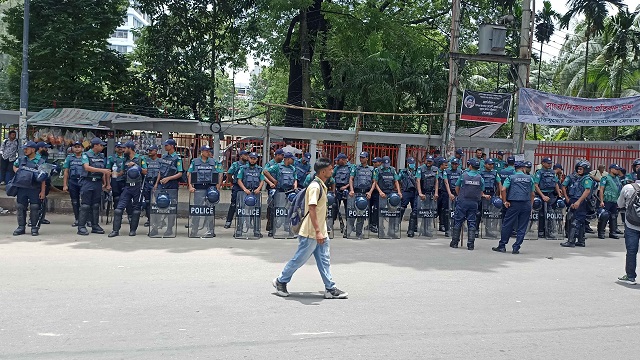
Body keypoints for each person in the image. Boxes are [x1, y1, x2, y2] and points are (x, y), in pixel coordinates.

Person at [272, 157, 348, 299]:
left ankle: (330, 288)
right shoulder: (315, 187)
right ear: (323, 171)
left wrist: (322, 231)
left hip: (320, 230)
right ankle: (280, 281)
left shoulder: (322, 185)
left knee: (324, 259)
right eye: (331, 169)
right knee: (300, 258)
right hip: (311, 231)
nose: (332, 171)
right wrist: (318, 231)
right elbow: (312, 209)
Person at [492, 161, 535, 254]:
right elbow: (532, 193)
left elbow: (503, 189)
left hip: (514, 204)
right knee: (522, 226)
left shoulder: (511, 177)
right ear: (523, 168)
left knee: (507, 224)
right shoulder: (529, 178)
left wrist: (504, 201)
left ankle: (502, 246)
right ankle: (516, 247)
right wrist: (530, 206)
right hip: (526, 203)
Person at [108, 142, 147, 237]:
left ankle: (133, 230)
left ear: (130, 148)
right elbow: (121, 172)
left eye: (124, 148)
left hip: (137, 187)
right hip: (127, 186)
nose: (123, 150)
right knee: (118, 209)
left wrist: (136, 166)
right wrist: (111, 174)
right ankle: (115, 230)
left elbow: (146, 171)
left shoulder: (140, 158)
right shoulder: (124, 159)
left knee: (136, 210)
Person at [186, 145, 223, 238]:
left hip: (210, 188)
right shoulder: (195, 161)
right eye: (206, 151)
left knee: (210, 210)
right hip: (198, 188)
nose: (208, 152)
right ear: (201, 152)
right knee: (197, 210)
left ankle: (210, 230)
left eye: (209, 151)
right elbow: (189, 173)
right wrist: (190, 186)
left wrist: (218, 187)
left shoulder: (214, 162)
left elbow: (220, 174)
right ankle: (194, 230)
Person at [77, 138, 112, 236]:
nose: (102, 147)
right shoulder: (86, 155)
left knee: (96, 205)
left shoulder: (101, 156)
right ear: (95, 145)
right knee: (85, 205)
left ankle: (95, 225)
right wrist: (103, 171)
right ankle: (81, 226)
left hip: (97, 182)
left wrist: (106, 183)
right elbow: (87, 167)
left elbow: (104, 170)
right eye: (101, 145)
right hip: (87, 182)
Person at [12, 141, 47, 236]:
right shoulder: (21, 159)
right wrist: (17, 171)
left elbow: (43, 178)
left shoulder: (41, 161)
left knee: (35, 207)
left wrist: (43, 191)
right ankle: (21, 227)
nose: (25, 150)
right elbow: (14, 166)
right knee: (20, 207)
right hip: (22, 187)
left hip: (34, 188)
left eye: (27, 148)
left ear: (33, 149)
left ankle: (34, 228)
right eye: (24, 148)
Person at [150, 139, 183, 237]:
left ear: (172, 146)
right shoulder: (164, 157)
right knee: (157, 206)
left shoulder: (177, 158)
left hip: (172, 184)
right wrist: (156, 184)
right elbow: (160, 171)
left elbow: (180, 173)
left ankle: (169, 229)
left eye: (166, 145)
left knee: (171, 208)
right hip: (161, 184)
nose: (165, 147)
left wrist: (168, 178)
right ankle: (155, 228)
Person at [450, 158, 484, 250]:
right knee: (472, 222)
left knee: (458, 221)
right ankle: (470, 244)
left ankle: (455, 242)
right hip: (474, 202)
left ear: (470, 166)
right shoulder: (480, 178)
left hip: (463, 201)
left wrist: (459, 195)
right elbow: (481, 191)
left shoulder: (463, 176)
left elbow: (457, 187)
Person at [263, 152, 298, 237]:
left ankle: (289, 229)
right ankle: (272, 229)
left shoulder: (292, 168)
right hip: (279, 191)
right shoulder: (278, 166)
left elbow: (295, 179)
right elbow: (265, 171)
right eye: (292, 159)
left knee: (289, 210)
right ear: (287, 159)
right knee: (274, 210)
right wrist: (273, 180)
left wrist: (295, 186)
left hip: (289, 192)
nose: (293, 161)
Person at [616, 166, 640, 285]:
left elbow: (619, 204)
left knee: (631, 251)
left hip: (631, 224)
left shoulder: (628, 187)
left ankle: (630, 276)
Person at [560, 161, 593, 248]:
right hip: (575, 200)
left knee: (575, 221)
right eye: (578, 169)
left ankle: (571, 241)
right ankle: (581, 241)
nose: (579, 170)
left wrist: (578, 202)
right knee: (579, 221)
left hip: (581, 202)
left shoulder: (587, 179)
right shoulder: (579, 178)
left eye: (581, 169)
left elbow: (587, 191)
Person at [237, 152, 265, 237]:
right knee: (242, 211)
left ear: (257, 159)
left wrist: (259, 189)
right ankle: (239, 230)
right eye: (251, 158)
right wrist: (244, 189)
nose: (252, 160)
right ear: (248, 158)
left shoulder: (260, 169)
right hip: (245, 193)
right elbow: (239, 180)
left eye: (254, 159)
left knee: (256, 212)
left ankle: (256, 231)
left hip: (255, 193)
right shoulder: (243, 168)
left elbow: (262, 180)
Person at [347, 151, 375, 238]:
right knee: (352, 213)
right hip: (356, 193)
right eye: (360, 157)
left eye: (363, 157)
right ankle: (348, 232)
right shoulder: (355, 168)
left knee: (362, 215)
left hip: (365, 194)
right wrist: (351, 190)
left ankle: (358, 233)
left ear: (367, 158)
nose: (361, 159)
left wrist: (370, 192)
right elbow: (351, 179)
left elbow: (374, 182)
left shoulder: (371, 169)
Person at [534, 157, 562, 238]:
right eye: (548, 163)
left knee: (551, 213)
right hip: (542, 194)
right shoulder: (539, 172)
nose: (550, 164)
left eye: (550, 163)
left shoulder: (552, 172)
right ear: (543, 163)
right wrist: (542, 196)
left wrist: (559, 195)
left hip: (551, 195)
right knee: (542, 214)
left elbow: (556, 183)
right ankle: (541, 231)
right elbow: (536, 185)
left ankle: (550, 231)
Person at [224, 150, 249, 229]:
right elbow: (229, 174)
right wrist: (233, 182)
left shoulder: (249, 165)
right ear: (241, 156)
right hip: (237, 187)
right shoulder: (236, 164)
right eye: (245, 155)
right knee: (233, 204)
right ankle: (228, 221)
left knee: (246, 205)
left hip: (246, 187)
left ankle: (245, 222)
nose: (247, 156)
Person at [62, 141, 85, 227]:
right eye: (75, 147)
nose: (77, 148)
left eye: (79, 147)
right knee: (75, 202)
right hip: (73, 181)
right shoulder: (69, 158)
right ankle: (77, 219)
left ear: (82, 148)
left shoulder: (86, 157)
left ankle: (86, 219)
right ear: (72, 148)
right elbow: (66, 171)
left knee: (85, 202)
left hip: (83, 181)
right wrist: (65, 185)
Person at [479, 158, 502, 237]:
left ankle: (488, 231)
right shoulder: (481, 172)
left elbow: (499, 183)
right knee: (479, 212)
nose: (491, 166)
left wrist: (500, 194)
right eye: (489, 164)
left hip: (491, 195)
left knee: (489, 213)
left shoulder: (495, 173)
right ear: (485, 164)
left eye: (492, 164)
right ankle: (475, 230)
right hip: (482, 194)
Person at [598, 164, 622, 239]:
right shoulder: (605, 178)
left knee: (614, 216)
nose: (617, 170)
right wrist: (601, 201)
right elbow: (601, 189)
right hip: (607, 200)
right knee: (604, 215)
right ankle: (601, 233)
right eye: (616, 169)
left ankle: (613, 232)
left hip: (615, 200)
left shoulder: (618, 179)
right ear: (611, 169)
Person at [399, 157, 419, 237]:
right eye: (411, 163)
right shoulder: (403, 172)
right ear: (407, 163)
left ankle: (412, 228)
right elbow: (397, 179)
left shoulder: (417, 171)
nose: (412, 164)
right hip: (406, 192)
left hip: (415, 192)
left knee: (415, 210)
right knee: (402, 208)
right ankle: (397, 225)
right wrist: (400, 190)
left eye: (413, 163)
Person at [332, 153, 351, 234]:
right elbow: (332, 178)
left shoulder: (351, 167)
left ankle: (349, 227)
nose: (336, 161)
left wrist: (346, 186)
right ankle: (330, 225)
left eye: (338, 160)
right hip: (338, 190)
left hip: (347, 190)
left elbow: (352, 179)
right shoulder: (336, 168)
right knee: (335, 208)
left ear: (343, 160)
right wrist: (333, 191)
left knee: (348, 209)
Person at [142, 145, 160, 227]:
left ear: (156, 151)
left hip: (156, 183)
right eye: (149, 150)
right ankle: (149, 219)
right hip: (147, 183)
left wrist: (156, 183)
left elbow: (161, 173)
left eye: (151, 150)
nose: (149, 152)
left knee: (158, 202)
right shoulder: (146, 160)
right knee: (147, 202)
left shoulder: (160, 161)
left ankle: (158, 220)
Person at [436, 157, 451, 236]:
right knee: (436, 209)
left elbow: (446, 182)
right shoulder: (436, 172)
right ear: (441, 165)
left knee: (444, 210)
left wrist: (449, 193)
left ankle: (442, 225)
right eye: (445, 165)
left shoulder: (445, 172)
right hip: (437, 192)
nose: (447, 166)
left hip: (443, 193)